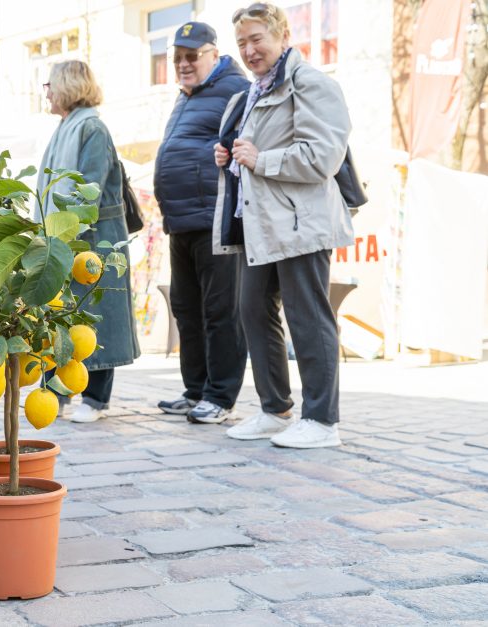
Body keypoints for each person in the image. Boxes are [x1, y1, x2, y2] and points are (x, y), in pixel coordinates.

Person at [213, 2, 354, 448]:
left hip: (300, 222)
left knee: (308, 316)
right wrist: (230, 161)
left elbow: (323, 157)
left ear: (282, 36)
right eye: (242, 43)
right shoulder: (250, 93)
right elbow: (252, 151)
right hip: (259, 224)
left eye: (257, 39)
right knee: (253, 311)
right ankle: (275, 409)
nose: (250, 50)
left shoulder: (310, 84)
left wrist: (260, 159)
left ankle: (322, 420)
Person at [154, 22, 249, 425]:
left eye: (192, 56)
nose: (183, 64)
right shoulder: (185, 97)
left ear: (214, 53)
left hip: (214, 217)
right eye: (177, 57)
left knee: (219, 310)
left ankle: (220, 396)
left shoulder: (234, 88)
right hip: (181, 220)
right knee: (186, 309)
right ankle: (195, 390)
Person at [35, 60, 140, 424]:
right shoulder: (67, 126)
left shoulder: (91, 128)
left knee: (98, 315)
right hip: (64, 238)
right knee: (61, 313)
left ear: (66, 85)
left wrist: (68, 236)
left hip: (94, 238)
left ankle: (96, 399)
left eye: (49, 84)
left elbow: (88, 191)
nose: (45, 91)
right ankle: (60, 392)